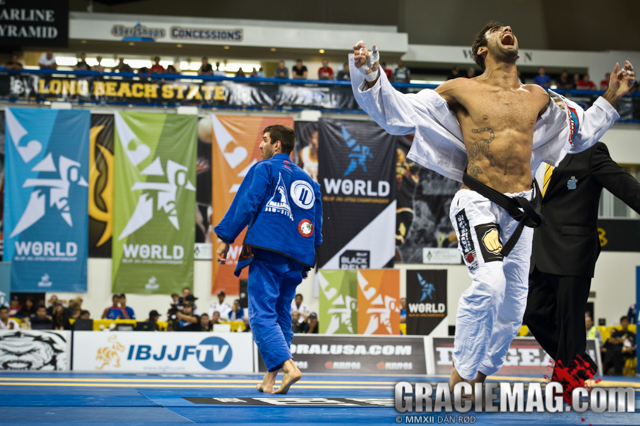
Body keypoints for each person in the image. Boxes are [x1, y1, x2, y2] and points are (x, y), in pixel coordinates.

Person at [350, 22, 633, 398]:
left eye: (510, 27)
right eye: (497, 28)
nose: (509, 28)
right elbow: (399, 113)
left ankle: (480, 374)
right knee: (489, 283)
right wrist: (369, 76)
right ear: (482, 48)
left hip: (522, 211)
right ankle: (459, 377)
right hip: (478, 200)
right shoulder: (461, 89)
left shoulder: (538, 97)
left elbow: (579, 134)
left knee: (514, 307)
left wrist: (610, 98)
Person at [524, 140, 640, 394]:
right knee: (532, 312)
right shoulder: (535, 151)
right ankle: (578, 365)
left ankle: (569, 380)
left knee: (570, 319)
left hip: (573, 250)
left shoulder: (590, 152)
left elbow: (625, 185)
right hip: (539, 250)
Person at [215, 124, 323, 394]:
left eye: (264, 140)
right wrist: (306, 258)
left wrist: (226, 237)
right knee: (281, 315)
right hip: (297, 255)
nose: (260, 145)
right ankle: (270, 379)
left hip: (267, 249)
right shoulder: (310, 182)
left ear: (277, 145)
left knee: (261, 315)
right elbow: (316, 227)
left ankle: (289, 368)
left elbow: (247, 203)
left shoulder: (264, 169)